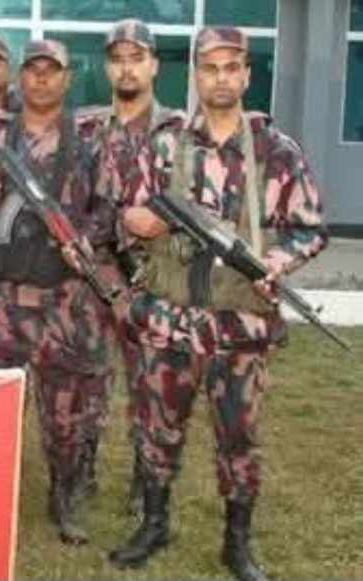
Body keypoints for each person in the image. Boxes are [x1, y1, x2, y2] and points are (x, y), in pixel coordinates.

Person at [107, 27, 328, 581]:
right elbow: (125, 215)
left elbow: (309, 228)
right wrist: (139, 222)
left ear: (247, 76)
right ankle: (154, 525)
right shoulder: (165, 146)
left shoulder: (277, 152)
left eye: (232, 68)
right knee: (156, 430)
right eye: (210, 68)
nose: (221, 78)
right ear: (196, 76)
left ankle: (237, 544)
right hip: (169, 323)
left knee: (239, 440)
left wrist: (277, 262)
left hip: (240, 328)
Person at [0, 40, 115, 545]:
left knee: (64, 415)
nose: (41, 79)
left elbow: (108, 209)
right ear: (21, 77)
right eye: (33, 70)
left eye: (52, 71)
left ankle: (62, 499)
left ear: (67, 78)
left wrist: (83, 240)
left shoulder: (88, 142)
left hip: (60, 300)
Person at [77, 18, 187, 515]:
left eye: (137, 58)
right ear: (107, 67)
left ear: (154, 65)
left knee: (152, 387)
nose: (127, 69)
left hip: (153, 280)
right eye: (118, 59)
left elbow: (195, 201)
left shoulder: (180, 132)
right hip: (93, 276)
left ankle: (147, 488)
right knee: (88, 380)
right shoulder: (86, 129)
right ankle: (80, 475)